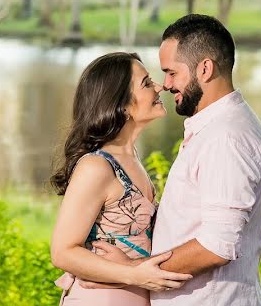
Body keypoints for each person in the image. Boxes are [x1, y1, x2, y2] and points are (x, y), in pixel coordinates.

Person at [90, 14, 261, 305]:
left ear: (204, 69)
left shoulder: (225, 138)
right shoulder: (216, 129)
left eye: (172, 73)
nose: (165, 85)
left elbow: (217, 245)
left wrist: (129, 270)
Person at [50, 52, 193, 305]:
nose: (160, 86)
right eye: (147, 83)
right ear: (122, 105)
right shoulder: (96, 166)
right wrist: (134, 274)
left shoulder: (132, 158)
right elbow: (62, 252)